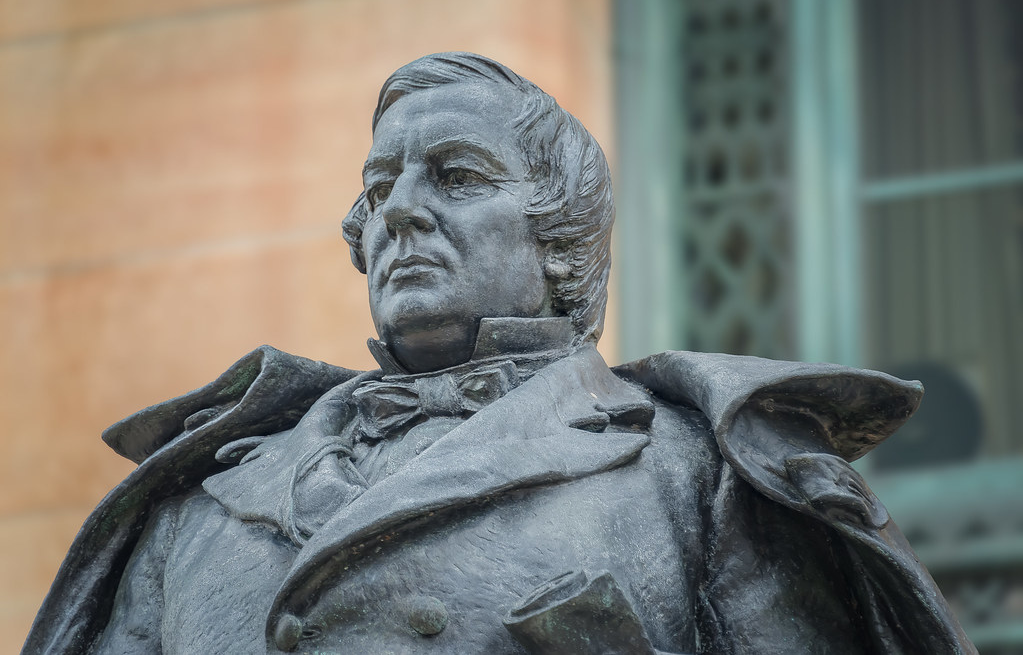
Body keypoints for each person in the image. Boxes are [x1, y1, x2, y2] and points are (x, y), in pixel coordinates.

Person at [26, 53, 974, 654]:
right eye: (380, 184)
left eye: (456, 176)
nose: (396, 209)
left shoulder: (693, 475)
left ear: (561, 240)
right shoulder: (199, 499)